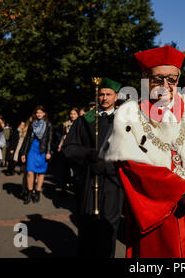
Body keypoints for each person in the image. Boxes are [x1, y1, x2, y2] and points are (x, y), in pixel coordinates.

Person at [105, 45, 185, 258]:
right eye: (158, 79)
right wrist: (177, 190)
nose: (165, 85)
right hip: (158, 213)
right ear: (145, 80)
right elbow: (130, 165)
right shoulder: (129, 113)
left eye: (172, 79)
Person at [63, 78, 124, 258]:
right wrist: (89, 154)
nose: (104, 98)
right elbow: (68, 149)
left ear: (116, 97)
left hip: (113, 182)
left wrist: (109, 165)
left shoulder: (125, 121)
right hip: (89, 181)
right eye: (101, 94)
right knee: (88, 227)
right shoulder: (84, 121)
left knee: (109, 227)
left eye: (108, 94)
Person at [21, 106, 53, 204]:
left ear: (44, 114)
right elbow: (27, 139)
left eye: (41, 112)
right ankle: (29, 193)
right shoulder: (32, 124)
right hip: (32, 149)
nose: (39, 114)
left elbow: (50, 139)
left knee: (41, 173)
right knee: (30, 172)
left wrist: (48, 152)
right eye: (37, 112)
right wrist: (23, 153)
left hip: (42, 150)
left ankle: (37, 192)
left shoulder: (48, 124)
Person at [57, 107, 80, 195]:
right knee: (65, 169)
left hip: (76, 148)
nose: (72, 115)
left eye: (74, 114)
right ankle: (64, 188)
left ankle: (74, 187)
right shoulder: (66, 124)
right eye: (71, 114)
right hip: (66, 148)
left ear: (78, 115)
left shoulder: (80, 124)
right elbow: (63, 136)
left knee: (74, 170)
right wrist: (60, 146)